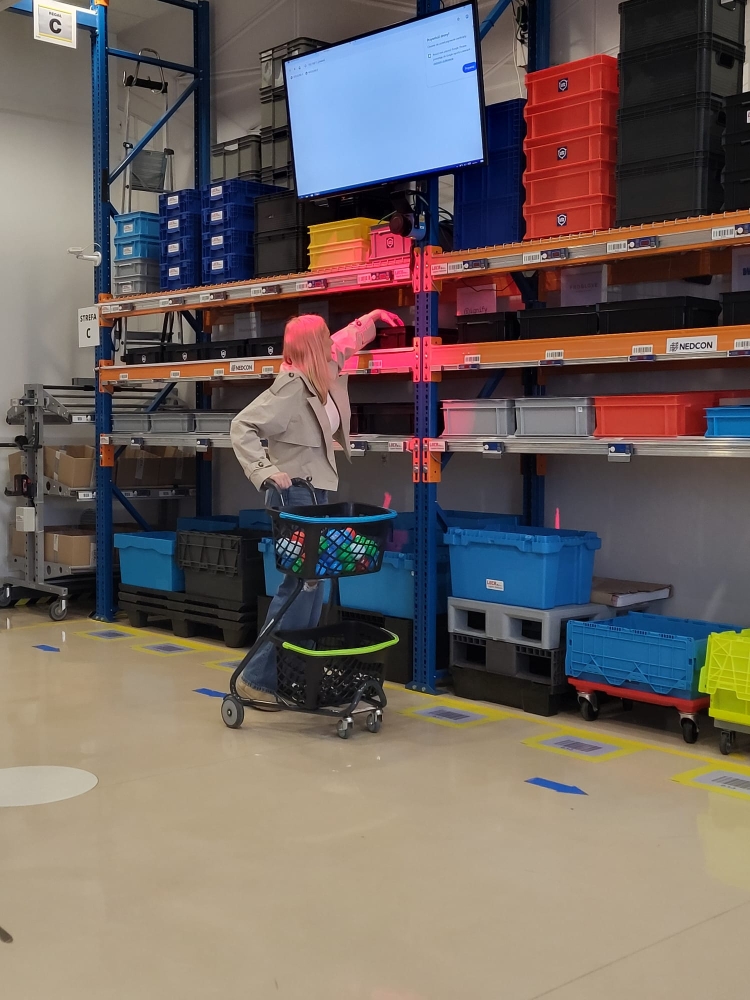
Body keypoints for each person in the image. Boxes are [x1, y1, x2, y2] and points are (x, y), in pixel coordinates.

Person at [230, 308, 404, 702]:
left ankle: (292, 674)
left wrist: (371, 319)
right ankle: (256, 678)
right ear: (311, 347)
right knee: (297, 588)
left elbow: (345, 342)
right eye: (324, 338)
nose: (331, 343)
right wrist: (266, 470)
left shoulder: (321, 368)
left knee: (313, 587)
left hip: (315, 494)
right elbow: (242, 426)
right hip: (294, 496)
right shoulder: (291, 388)